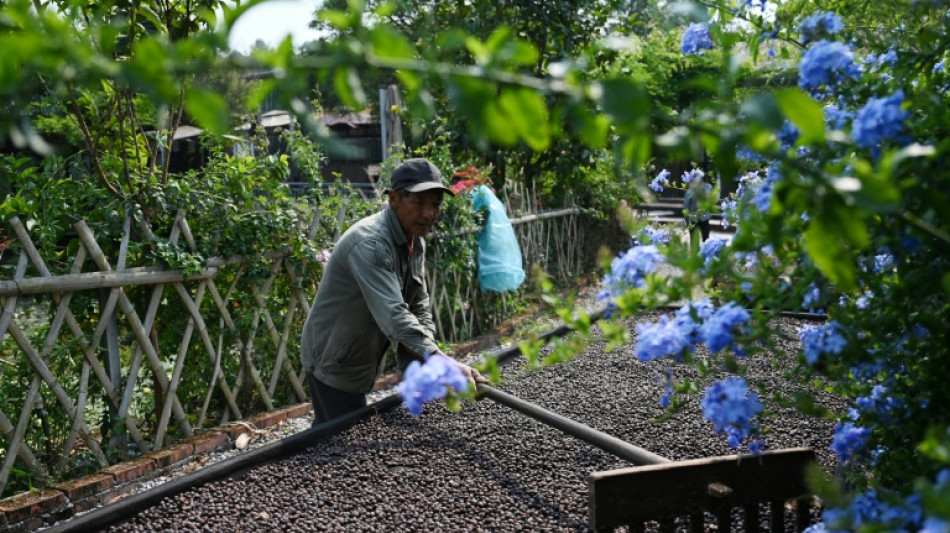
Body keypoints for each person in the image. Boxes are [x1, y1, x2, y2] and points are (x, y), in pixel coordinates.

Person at [300, 158, 487, 425]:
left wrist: (433, 358)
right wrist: (444, 362)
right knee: (335, 443)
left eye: (435, 204)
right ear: (394, 199)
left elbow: (417, 304)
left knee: (342, 435)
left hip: (358, 351)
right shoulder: (371, 244)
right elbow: (394, 314)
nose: (429, 213)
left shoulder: (412, 239)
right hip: (333, 355)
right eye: (419, 202)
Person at [683, 174, 713, 249]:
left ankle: (705, 255)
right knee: (694, 241)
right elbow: (686, 207)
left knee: (706, 240)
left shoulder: (707, 188)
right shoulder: (690, 192)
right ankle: (695, 256)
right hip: (693, 219)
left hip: (704, 218)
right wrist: (686, 220)